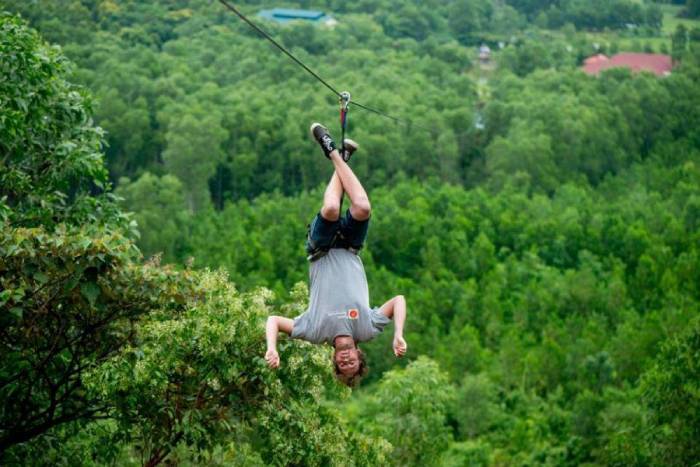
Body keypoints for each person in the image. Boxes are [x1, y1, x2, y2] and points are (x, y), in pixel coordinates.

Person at [265, 122, 407, 386]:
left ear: (334, 360)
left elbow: (273, 320)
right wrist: (398, 333)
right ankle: (340, 156)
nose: (346, 362)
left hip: (320, 248)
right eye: (352, 363)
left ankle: (334, 153)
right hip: (351, 247)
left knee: (331, 208)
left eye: (342, 366)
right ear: (358, 353)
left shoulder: (314, 332)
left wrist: (272, 348)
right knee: (363, 207)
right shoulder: (367, 328)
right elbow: (398, 300)